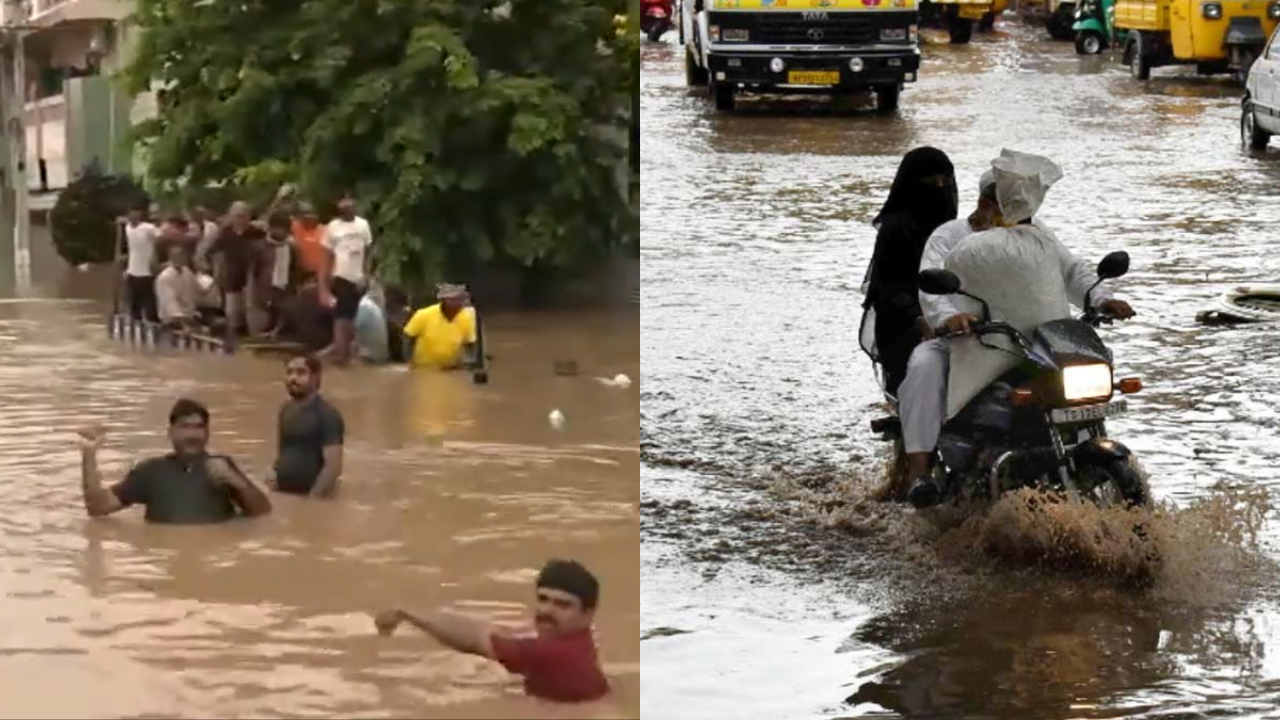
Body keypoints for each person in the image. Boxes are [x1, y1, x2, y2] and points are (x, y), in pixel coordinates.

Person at [898, 151, 1136, 508]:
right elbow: (930, 285)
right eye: (1003, 202)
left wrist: (1101, 298)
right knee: (923, 366)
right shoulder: (951, 236)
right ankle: (919, 473)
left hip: (1033, 343)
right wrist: (948, 318)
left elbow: (1072, 271)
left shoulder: (1035, 235)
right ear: (984, 201)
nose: (1013, 210)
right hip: (967, 343)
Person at [373, 559, 610, 703]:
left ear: (587, 615)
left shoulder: (552, 653)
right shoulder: (579, 643)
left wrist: (407, 614)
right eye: (543, 599)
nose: (547, 610)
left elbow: (474, 641)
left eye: (562, 604)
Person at [76, 398, 273, 524]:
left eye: (199, 427)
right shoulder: (150, 472)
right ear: (170, 432)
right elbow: (98, 507)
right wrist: (89, 453)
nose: (192, 434)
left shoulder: (222, 467)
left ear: (208, 432)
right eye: (185, 427)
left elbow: (263, 513)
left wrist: (236, 482)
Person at [862, 147, 959, 394]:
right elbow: (888, 285)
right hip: (903, 322)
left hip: (945, 317)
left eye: (944, 179)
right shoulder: (896, 229)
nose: (939, 187)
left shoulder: (953, 229)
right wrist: (917, 318)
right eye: (930, 180)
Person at [266, 354, 345, 497]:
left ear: (315, 377)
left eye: (301, 372)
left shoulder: (327, 415)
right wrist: (273, 474)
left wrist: (312, 502)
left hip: (312, 497)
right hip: (284, 495)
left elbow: (333, 467)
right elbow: (283, 451)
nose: (293, 378)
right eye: (289, 372)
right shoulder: (285, 409)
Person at [320, 195, 375, 364]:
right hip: (340, 276)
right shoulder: (332, 227)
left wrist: (366, 275)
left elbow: (369, 253)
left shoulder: (363, 225)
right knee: (341, 318)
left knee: (354, 318)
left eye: (349, 201)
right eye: (342, 201)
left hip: (359, 278)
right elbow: (326, 258)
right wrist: (323, 288)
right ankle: (341, 356)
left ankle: (349, 354)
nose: (346, 205)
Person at [208, 201, 268, 336]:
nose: (240, 219)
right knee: (233, 315)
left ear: (249, 216)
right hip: (232, 279)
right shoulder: (225, 234)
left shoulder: (257, 233)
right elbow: (213, 253)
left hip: (254, 280)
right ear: (231, 216)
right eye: (237, 216)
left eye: (243, 216)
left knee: (252, 314)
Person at [402, 284, 478, 370]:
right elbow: (407, 336)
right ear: (443, 300)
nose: (457, 303)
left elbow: (470, 342)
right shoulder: (423, 315)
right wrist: (408, 360)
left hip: (452, 368)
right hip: (424, 367)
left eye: (459, 300)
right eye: (452, 300)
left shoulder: (466, 317)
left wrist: (472, 361)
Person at [154, 245, 206, 330]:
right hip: (172, 319)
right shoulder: (165, 278)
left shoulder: (187, 271)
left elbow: (199, 289)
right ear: (172, 258)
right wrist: (185, 323)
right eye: (180, 256)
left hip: (190, 314)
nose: (183, 258)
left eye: (183, 256)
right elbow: (170, 305)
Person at [123, 205, 160, 322]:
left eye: (136, 213)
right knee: (134, 304)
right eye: (131, 213)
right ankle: (136, 325)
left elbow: (160, 239)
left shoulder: (149, 228)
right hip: (132, 270)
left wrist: (155, 256)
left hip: (147, 271)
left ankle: (153, 325)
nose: (134, 216)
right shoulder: (127, 227)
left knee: (149, 303)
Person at [290, 202, 329, 280]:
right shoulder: (294, 227)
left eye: (311, 213)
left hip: (322, 275)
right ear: (298, 216)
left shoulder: (326, 230)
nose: (308, 216)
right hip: (301, 276)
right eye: (304, 213)